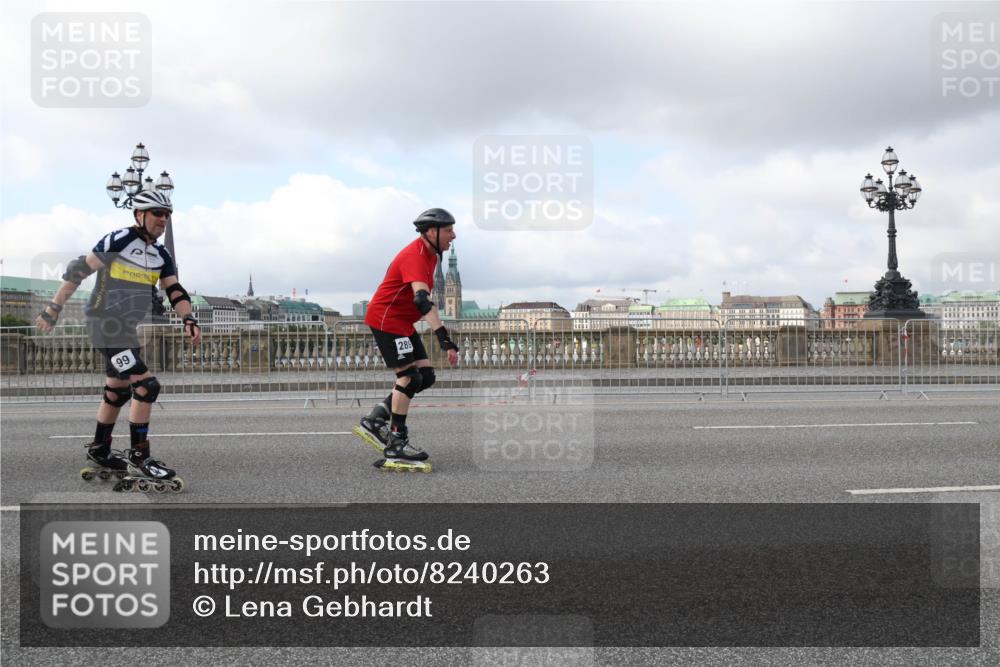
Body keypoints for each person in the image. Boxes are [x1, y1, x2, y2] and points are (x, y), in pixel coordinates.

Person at [35, 190, 201, 492]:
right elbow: (78, 271)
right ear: (140, 214)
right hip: (104, 326)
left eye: (167, 214)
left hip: (126, 330)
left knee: (117, 390)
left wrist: (188, 318)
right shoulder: (119, 240)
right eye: (157, 213)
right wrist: (53, 308)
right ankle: (140, 456)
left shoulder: (161, 255)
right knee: (146, 385)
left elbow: (175, 291)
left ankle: (99, 450)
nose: (163, 219)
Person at [353, 208, 460, 471]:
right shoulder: (415, 255)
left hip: (402, 321)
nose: (453, 235)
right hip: (387, 320)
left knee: (425, 376)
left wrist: (444, 339)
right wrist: (443, 339)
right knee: (409, 377)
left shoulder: (432, 256)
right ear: (431, 232)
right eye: (448, 230)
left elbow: (426, 303)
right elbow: (422, 300)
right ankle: (396, 443)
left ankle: (376, 419)